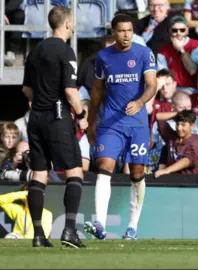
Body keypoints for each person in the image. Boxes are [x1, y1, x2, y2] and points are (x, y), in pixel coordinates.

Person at [84, 14, 157, 240]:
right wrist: (91, 123)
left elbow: (152, 84)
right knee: (104, 166)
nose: (126, 35)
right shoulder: (104, 56)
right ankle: (100, 224)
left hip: (137, 124)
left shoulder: (144, 53)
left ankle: (132, 227)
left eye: (129, 30)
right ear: (113, 32)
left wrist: (140, 102)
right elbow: (97, 91)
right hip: (110, 123)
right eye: (121, 31)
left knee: (136, 173)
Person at [21, 6, 87, 248]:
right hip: (57, 118)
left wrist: (39, 101)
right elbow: (70, 91)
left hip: (35, 118)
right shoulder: (65, 51)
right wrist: (81, 114)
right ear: (68, 24)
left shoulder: (35, 51)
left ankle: (38, 235)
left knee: (39, 174)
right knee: (74, 171)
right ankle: (69, 230)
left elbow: (26, 89)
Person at [155, 110, 198, 175]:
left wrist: (166, 170)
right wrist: (177, 114)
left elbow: (187, 161)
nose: (179, 128)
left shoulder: (195, 142)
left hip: (190, 181)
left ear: (192, 126)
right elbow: (158, 116)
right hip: (172, 180)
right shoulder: (171, 136)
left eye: (183, 125)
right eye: (177, 124)